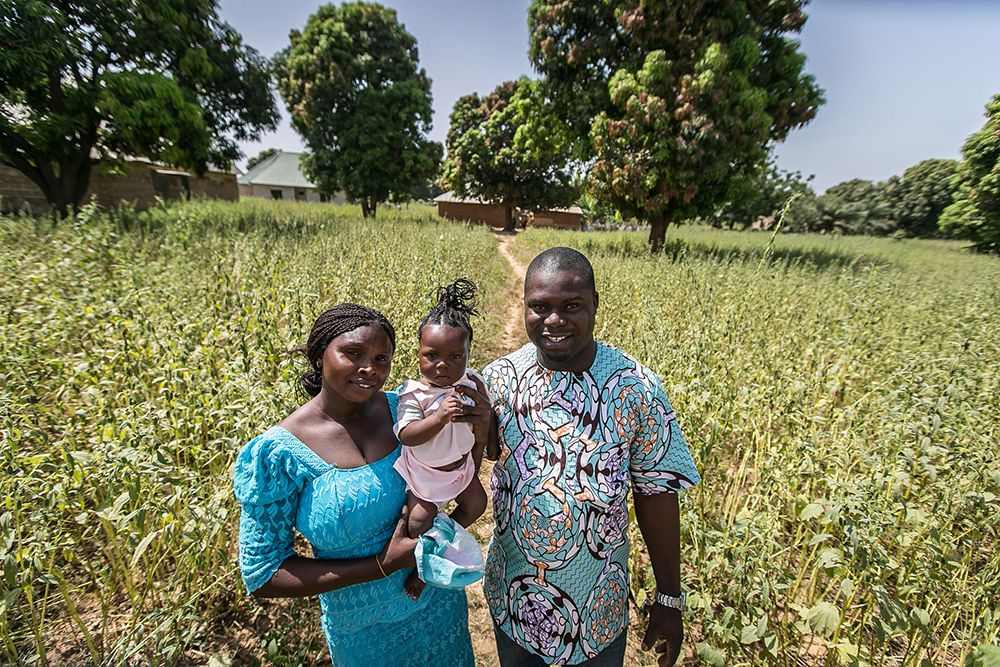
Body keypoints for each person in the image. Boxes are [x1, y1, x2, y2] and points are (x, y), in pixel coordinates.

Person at [232, 304, 491, 666]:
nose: (370, 369)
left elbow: (452, 477)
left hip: (438, 604)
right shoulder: (278, 455)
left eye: (381, 358)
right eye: (353, 353)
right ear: (320, 355)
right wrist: (381, 565)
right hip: (363, 633)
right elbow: (264, 575)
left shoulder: (401, 410)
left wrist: (478, 436)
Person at [482, 248, 701, 667]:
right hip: (512, 601)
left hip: (597, 610)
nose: (554, 321)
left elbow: (656, 494)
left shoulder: (635, 387)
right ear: (524, 306)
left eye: (572, 306)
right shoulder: (498, 379)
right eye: (539, 307)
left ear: (596, 304)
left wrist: (669, 597)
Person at [393, 278, 489, 598]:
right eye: (432, 355)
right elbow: (407, 435)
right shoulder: (413, 394)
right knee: (418, 522)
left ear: (467, 354)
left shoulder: (472, 380)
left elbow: (485, 409)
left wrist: (485, 414)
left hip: (460, 468)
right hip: (426, 476)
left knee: (477, 503)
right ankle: (423, 568)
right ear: (418, 353)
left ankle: (442, 540)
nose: (443, 366)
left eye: (455, 357)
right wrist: (439, 417)